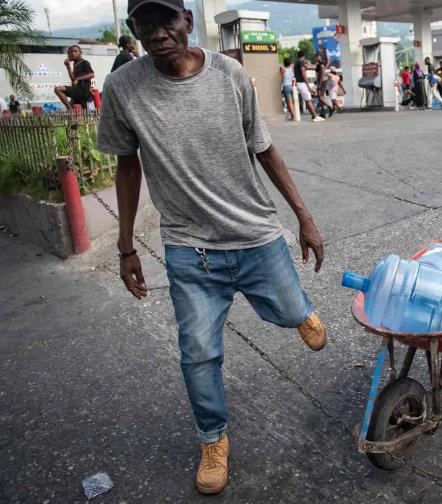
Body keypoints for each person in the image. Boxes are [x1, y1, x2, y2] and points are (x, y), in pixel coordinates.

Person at [99, 0, 328, 495]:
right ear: (134, 30)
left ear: (187, 21)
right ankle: (213, 439)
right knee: (198, 352)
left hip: (255, 234)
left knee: (290, 310)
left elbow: (263, 145)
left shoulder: (229, 74)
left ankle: (300, 313)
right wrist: (125, 248)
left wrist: (303, 215)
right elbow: (127, 166)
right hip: (189, 247)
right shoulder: (122, 87)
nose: (157, 34)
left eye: (166, 21)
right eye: (144, 25)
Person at [54, 45, 94, 112]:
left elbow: (91, 74)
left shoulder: (84, 63)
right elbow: (73, 79)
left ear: (80, 53)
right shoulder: (76, 64)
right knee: (81, 115)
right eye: (71, 52)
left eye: (75, 51)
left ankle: (70, 110)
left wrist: (78, 79)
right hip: (77, 91)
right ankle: (72, 110)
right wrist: (68, 67)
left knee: (58, 89)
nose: (73, 53)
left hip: (82, 91)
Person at [293, 50, 324, 122]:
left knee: (307, 100)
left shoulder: (296, 63)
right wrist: (308, 86)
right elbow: (303, 74)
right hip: (302, 83)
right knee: (308, 100)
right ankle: (315, 116)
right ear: (304, 56)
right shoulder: (301, 63)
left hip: (299, 83)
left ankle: (313, 116)